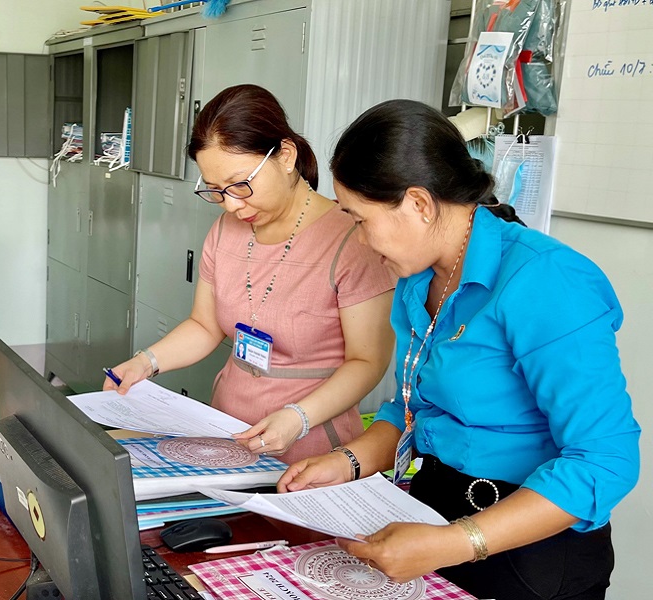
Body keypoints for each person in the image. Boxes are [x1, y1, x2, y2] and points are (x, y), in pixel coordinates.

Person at [277, 99, 640, 599]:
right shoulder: (417, 279)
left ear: (419, 204)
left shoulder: (547, 280)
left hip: (530, 549)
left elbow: (605, 459)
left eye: (360, 220)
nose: (360, 241)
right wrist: (349, 461)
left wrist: (458, 542)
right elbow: (415, 408)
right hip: (435, 522)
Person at [105, 85, 396, 464]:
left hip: (310, 440)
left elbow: (367, 361)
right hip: (228, 427)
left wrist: (299, 418)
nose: (231, 204)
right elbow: (205, 325)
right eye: (216, 190)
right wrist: (145, 362)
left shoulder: (351, 240)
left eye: (241, 185)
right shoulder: (226, 231)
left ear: (286, 156)